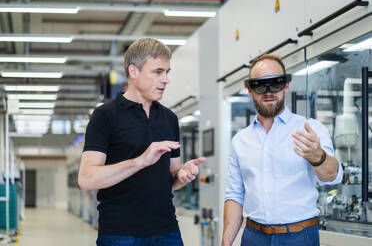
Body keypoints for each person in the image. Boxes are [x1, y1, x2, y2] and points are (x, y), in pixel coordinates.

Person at [78, 38, 205, 246]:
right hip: (120, 234)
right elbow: (86, 180)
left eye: (167, 72)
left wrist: (182, 175)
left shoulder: (170, 119)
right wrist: (141, 161)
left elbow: (172, 179)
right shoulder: (105, 116)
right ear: (134, 72)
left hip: (167, 232)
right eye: (158, 72)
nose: (166, 80)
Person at [221, 54, 343, 246]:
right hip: (254, 237)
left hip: (299, 237)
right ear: (250, 90)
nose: (269, 92)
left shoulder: (310, 129)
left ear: (286, 85)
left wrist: (318, 157)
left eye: (275, 83)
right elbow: (236, 195)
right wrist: (226, 242)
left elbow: (332, 176)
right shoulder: (240, 141)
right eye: (260, 85)